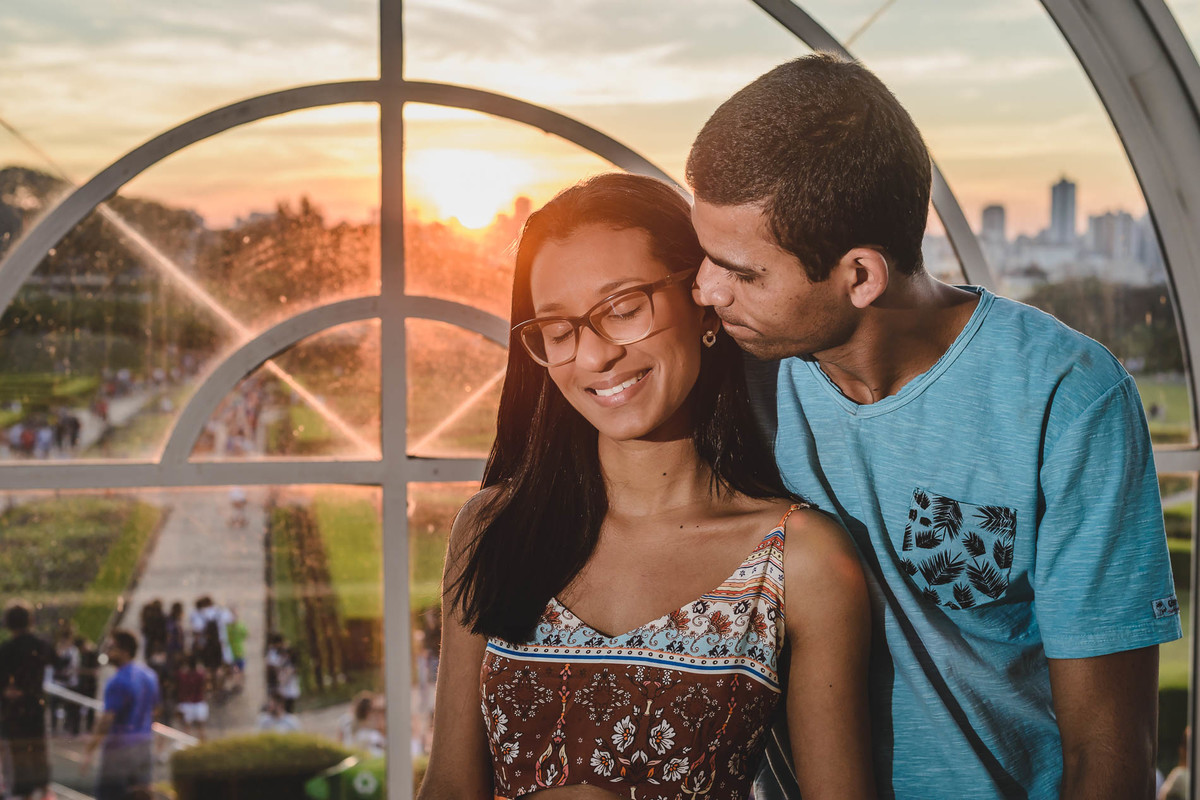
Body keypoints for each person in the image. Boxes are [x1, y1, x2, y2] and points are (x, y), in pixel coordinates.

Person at [686, 54, 1182, 799]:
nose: (704, 288)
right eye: (705, 256)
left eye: (742, 272)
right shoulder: (733, 366)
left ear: (860, 276)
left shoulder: (1067, 396)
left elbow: (1109, 752)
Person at [418, 173, 873, 799]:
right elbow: (449, 785)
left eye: (624, 309)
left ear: (702, 301)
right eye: (558, 330)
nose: (594, 356)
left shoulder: (799, 561)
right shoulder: (494, 529)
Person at [83, 629, 160, 800]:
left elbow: (107, 720)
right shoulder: (149, 676)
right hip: (144, 746)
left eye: (111, 647)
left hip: (119, 751)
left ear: (124, 651)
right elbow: (155, 709)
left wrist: (89, 750)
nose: (108, 651)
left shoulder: (118, 682)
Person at [0, 600, 55, 800]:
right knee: (38, 751)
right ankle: (42, 790)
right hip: (35, 707)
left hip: (12, 712)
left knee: (17, 757)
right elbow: (57, 662)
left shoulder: (6, 649)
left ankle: (24, 794)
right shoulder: (41, 645)